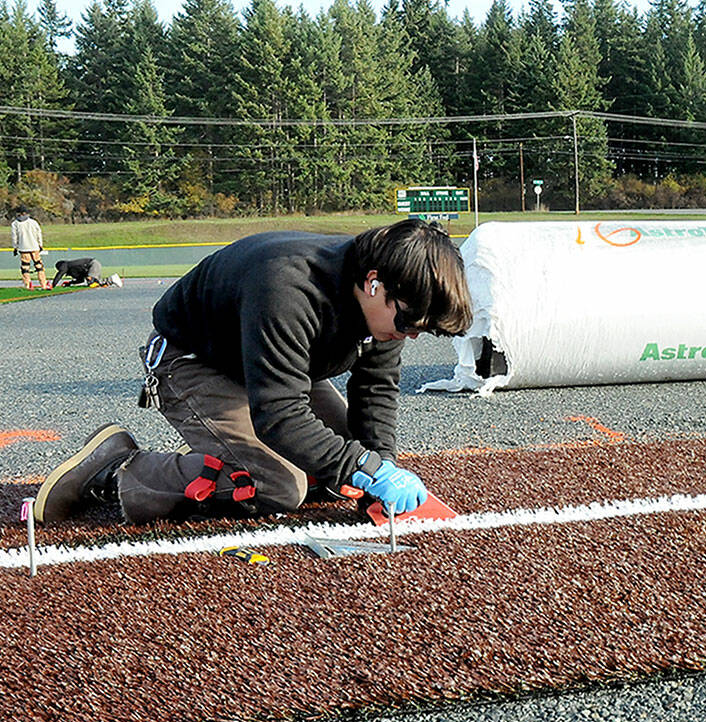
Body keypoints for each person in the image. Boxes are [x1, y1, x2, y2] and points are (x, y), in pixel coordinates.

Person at [34, 219, 472, 524]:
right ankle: (118, 469)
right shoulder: (288, 287)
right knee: (279, 486)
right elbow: (279, 414)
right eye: (409, 323)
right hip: (193, 361)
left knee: (339, 473)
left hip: (270, 365)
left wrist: (380, 466)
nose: (411, 336)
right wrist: (364, 466)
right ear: (375, 282)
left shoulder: (387, 297)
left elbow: (375, 390)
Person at [10, 207, 50, 290]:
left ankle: (28, 285)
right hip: (34, 247)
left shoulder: (15, 224)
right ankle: (43, 284)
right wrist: (40, 245)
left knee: (25, 267)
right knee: (39, 266)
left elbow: (14, 237)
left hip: (23, 247)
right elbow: (39, 234)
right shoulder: (33, 222)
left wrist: (15, 247)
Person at [51, 257, 123, 288]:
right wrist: (70, 283)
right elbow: (81, 280)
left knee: (92, 283)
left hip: (92, 264)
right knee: (95, 283)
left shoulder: (65, 265)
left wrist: (53, 285)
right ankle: (110, 281)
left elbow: (60, 274)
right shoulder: (73, 269)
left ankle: (112, 278)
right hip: (92, 266)